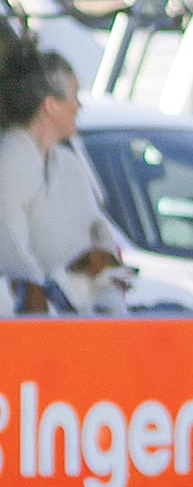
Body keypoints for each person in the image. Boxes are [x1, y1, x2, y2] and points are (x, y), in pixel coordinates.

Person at [22, 53, 130, 313]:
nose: (79, 106)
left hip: (81, 319)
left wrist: (106, 269)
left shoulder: (69, 165)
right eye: (74, 97)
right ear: (50, 105)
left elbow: (98, 235)